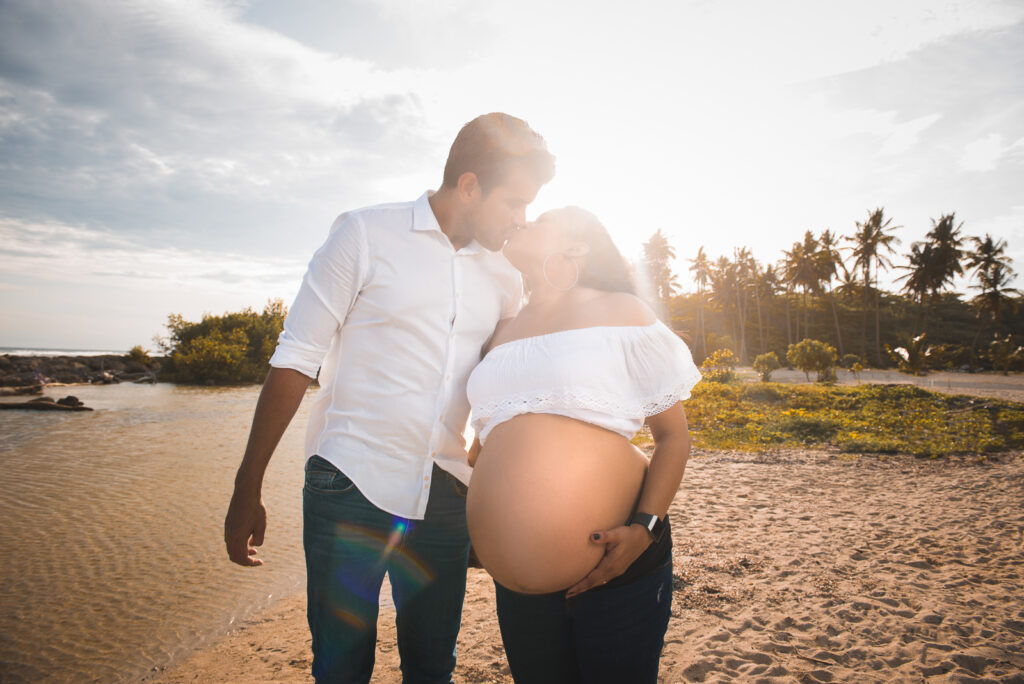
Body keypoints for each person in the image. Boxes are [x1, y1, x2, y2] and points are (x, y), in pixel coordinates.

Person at [223, 112, 555, 684]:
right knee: (341, 665)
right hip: (348, 484)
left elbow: (503, 392)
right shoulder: (363, 234)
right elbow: (296, 359)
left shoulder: (505, 279)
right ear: (469, 185)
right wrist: (246, 486)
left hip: (446, 496)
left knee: (432, 666)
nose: (522, 221)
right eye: (514, 203)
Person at [465, 206, 700, 683]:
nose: (522, 221)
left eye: (539, 219)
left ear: (577, 246)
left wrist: (644, 529)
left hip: (620, 563)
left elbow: (673, 437)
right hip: (518, 587)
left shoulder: (620, 311)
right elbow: (487, 441)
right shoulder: (499, 332)